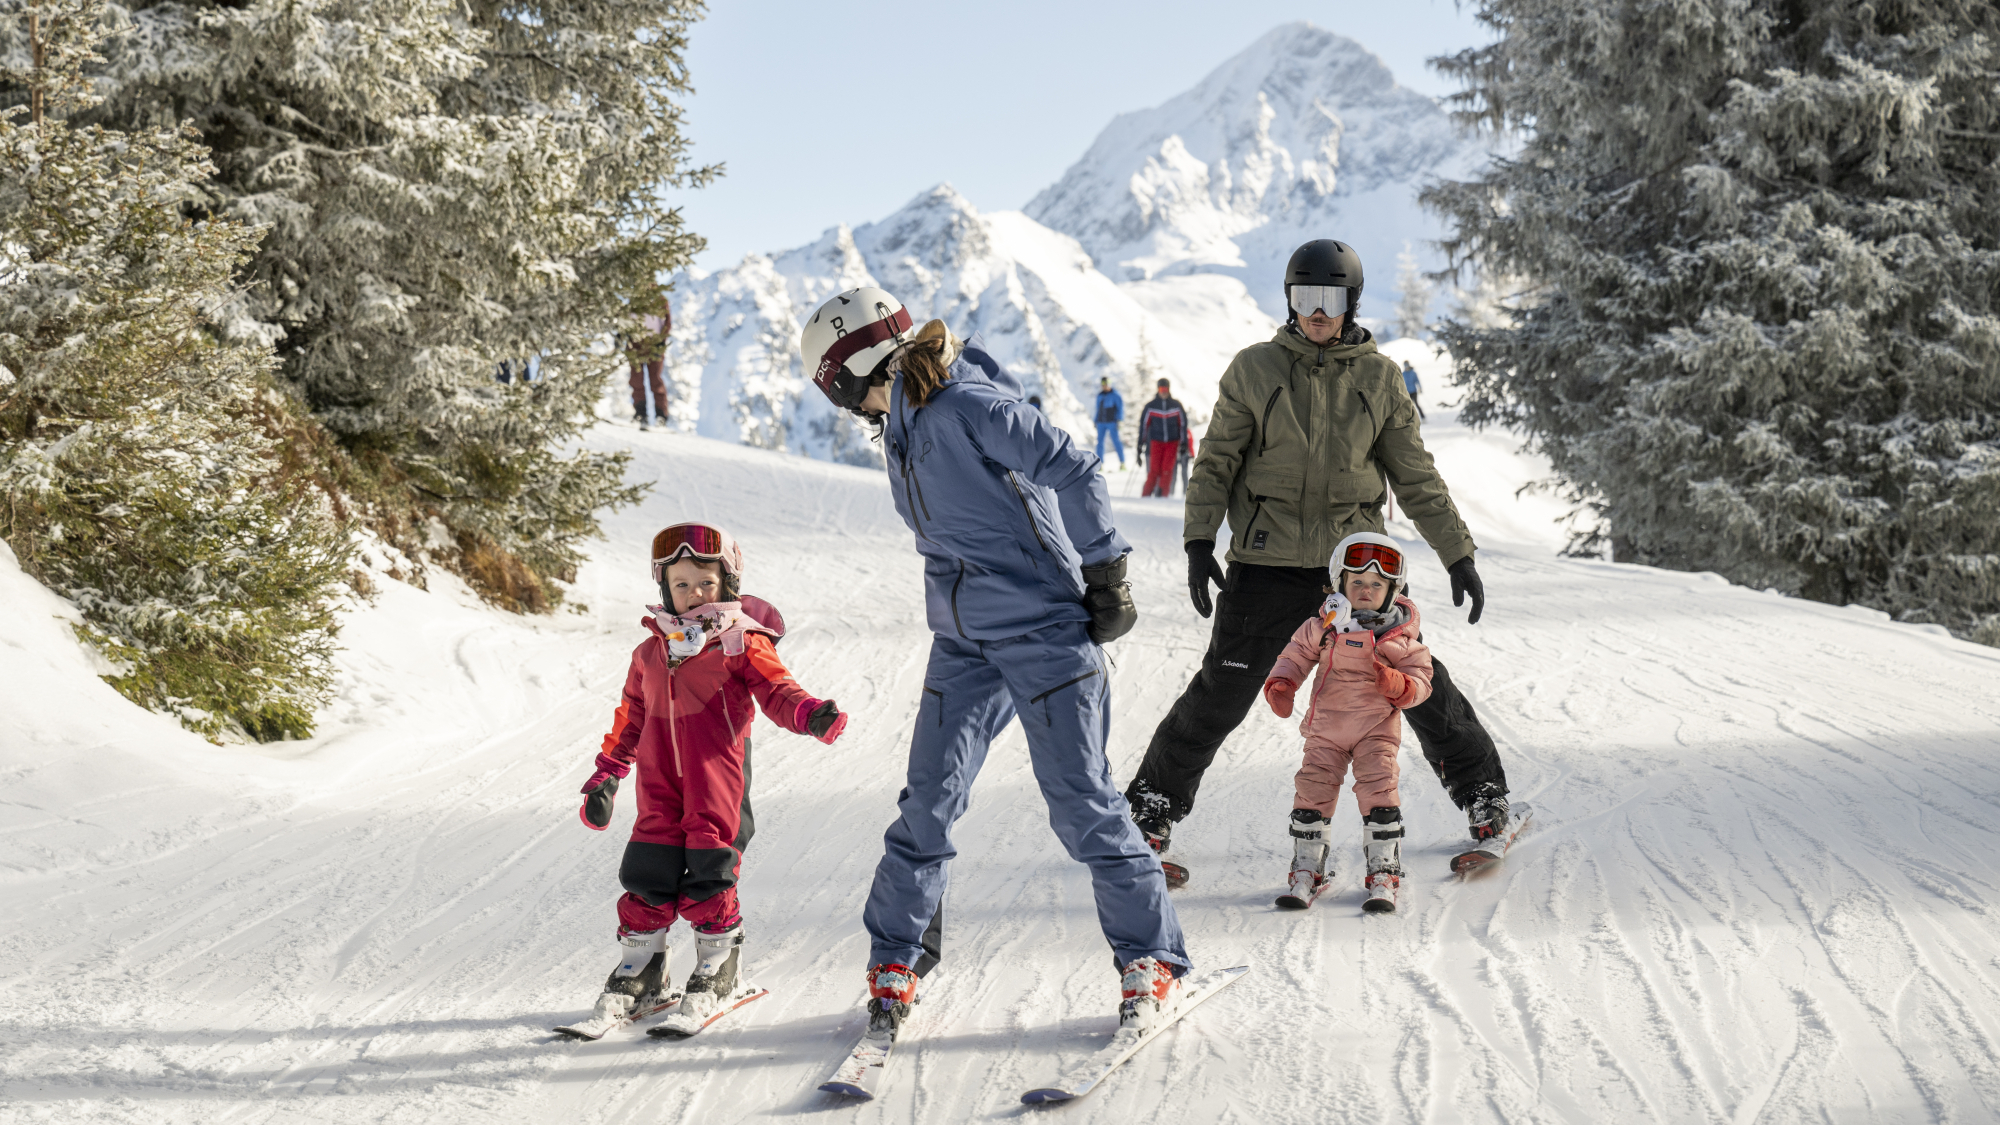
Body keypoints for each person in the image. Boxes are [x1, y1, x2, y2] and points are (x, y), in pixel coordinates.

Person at [799, 287, 1191, 1042]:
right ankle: (899, 955)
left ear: (846, 373)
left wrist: (1106, 570)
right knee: (928, 803)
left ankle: (1150, 956)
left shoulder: (963, 404)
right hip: (963, 643)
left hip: (1044, 631)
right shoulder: (903, 426)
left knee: (1083, 804)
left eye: (830, 383)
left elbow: (1073, 466)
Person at [1124, 239, 1515, 887]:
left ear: (1350, 303)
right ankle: (1149, 808)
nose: (1315, 313)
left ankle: (1484, 795)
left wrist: (1458, 552)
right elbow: (1217, 461)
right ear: (1289, 300)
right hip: (1266, 563)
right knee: (1222, 688)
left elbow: (1415, 477)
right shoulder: (1254, 371)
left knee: (1411, 681)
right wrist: (1199, 541)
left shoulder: (1379, 379)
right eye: (1303, 299)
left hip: (1358, 570)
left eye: (1328, 300)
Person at [567, 522, 849, 1035]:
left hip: (717, 786)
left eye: (705, 582)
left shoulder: (741, 641)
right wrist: (605, 777)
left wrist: (811, 714)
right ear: (664, 589)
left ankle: (719, 969)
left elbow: (778, 690)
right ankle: (643, 971)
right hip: (658, 789)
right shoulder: (649, 651)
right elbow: (630, 718)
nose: (694, 593)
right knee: (647, 873)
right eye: (681, 583)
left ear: (727, 584)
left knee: (709, 873)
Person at [1262, 533, 1432, 913]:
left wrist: (1402, 686)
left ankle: (1384, 869)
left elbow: (1423, 682)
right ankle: (1307, 866)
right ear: (1339, 584)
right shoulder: (1323, 628)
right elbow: (1294, 654)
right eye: (1357, 582)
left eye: (1376, 585)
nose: (1366, 590)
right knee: (1311, 794)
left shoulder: (1400, 640)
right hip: (1326, 730)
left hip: (1376, 732)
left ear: (1392, 591)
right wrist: (1283, 682)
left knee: (1380, 796)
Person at [1136, 378, 1195, 498]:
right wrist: (1140, 444)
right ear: (1158, 389)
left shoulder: (1176, 406)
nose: (1163, 391)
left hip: (1172, 442)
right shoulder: (1151, 406)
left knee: (1167, 470)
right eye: (1161, 389)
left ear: (1169, 389)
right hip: (1156, 442)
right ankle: (1145, 496)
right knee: (1154, 471)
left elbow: (1183, 425)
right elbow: (1144, 426)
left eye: (1165, 389)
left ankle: (1162, 495)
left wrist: (1184, 444)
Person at [624, 289, 672, 429]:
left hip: (654, 344)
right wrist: (622, 335)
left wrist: (661, 342)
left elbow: (667, 322)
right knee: (636, 379)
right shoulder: (634, 298)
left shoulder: (659, 299)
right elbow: (626, 321)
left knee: (655, 379)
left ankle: (661, 416)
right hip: (635, 343)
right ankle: (640, 414)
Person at [1092, 377, 1126, 469]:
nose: (1104, 386)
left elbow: (1120, 409)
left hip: (1112, 422)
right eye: (1103, 384)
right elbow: (1098, 409)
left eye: (1106, 384)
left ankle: (1122, 463)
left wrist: (1120, 420)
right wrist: (1095, 420)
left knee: (1116, 441)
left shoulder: (1115, 395)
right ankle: (1100, 464)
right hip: (1101, 422)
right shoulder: (1100, 395)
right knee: (1100, 443)